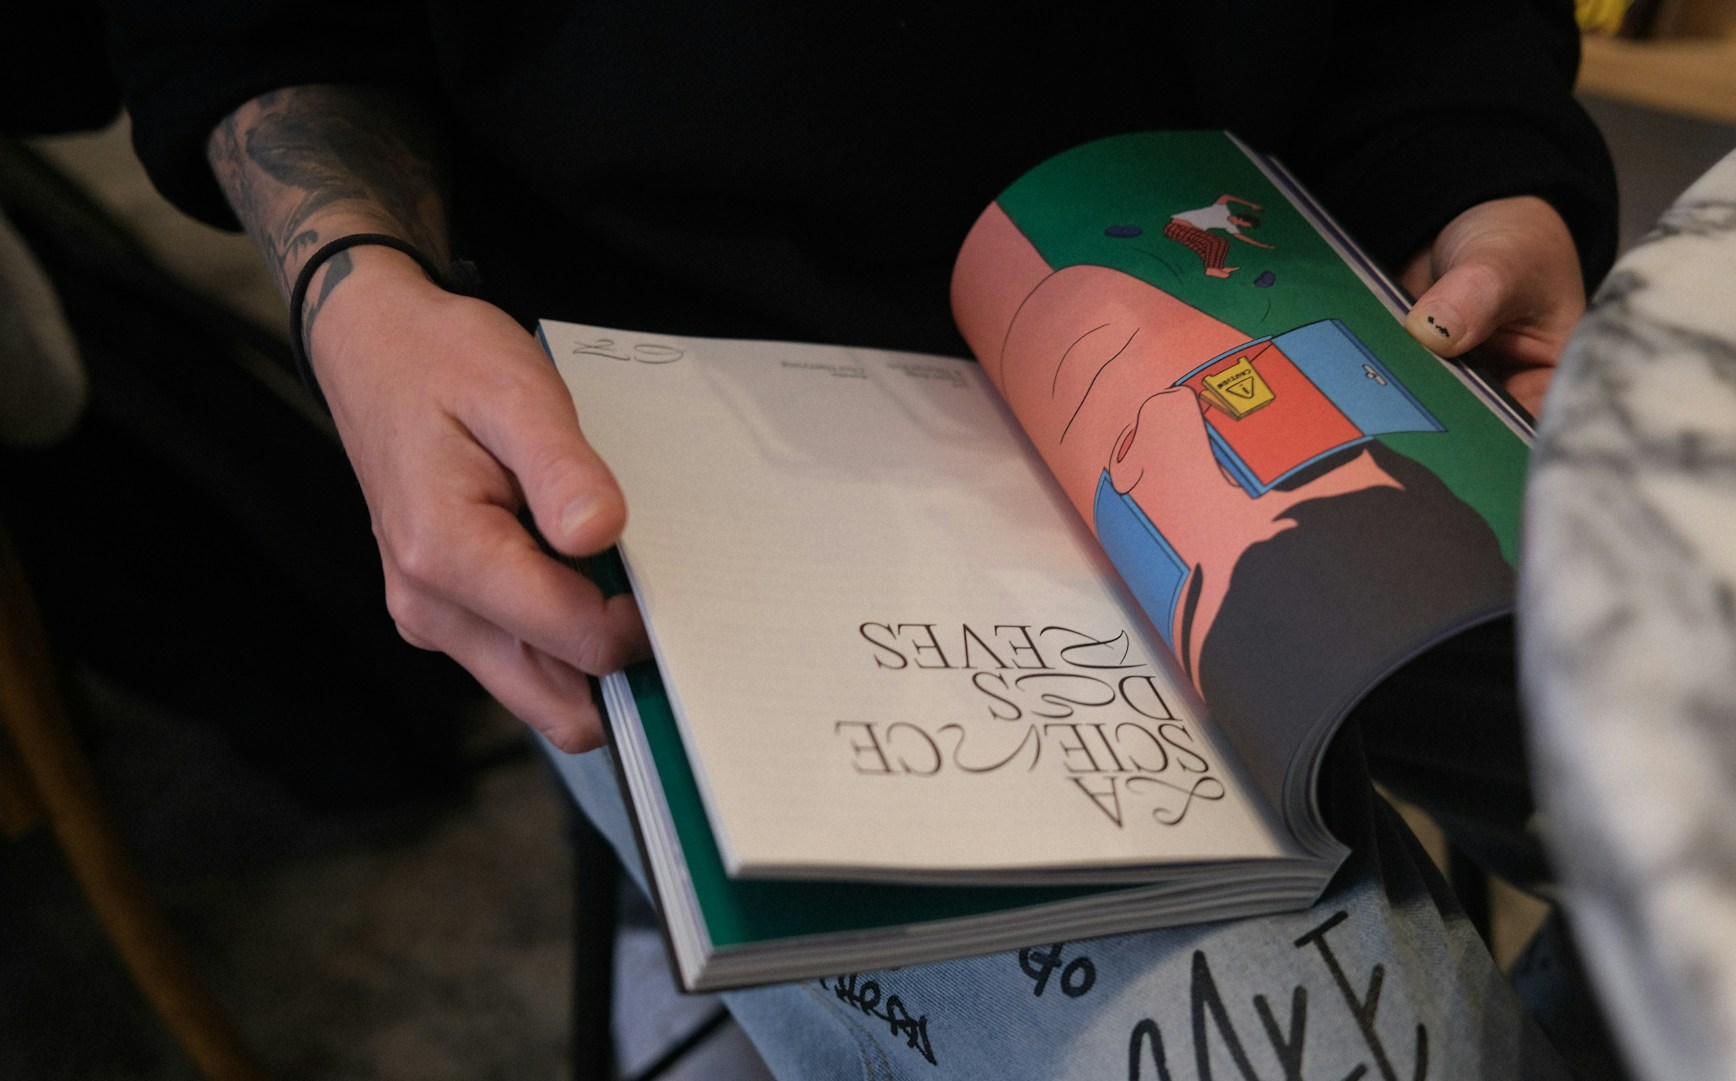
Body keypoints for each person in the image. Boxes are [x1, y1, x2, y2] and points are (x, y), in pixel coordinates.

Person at [101, 2, 1621, 1077]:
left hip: (1263, 289)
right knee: (1349, 1052)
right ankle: (709, 880)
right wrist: (358, 288)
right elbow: (257, 25)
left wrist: (1485, 161)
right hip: (690, 403)